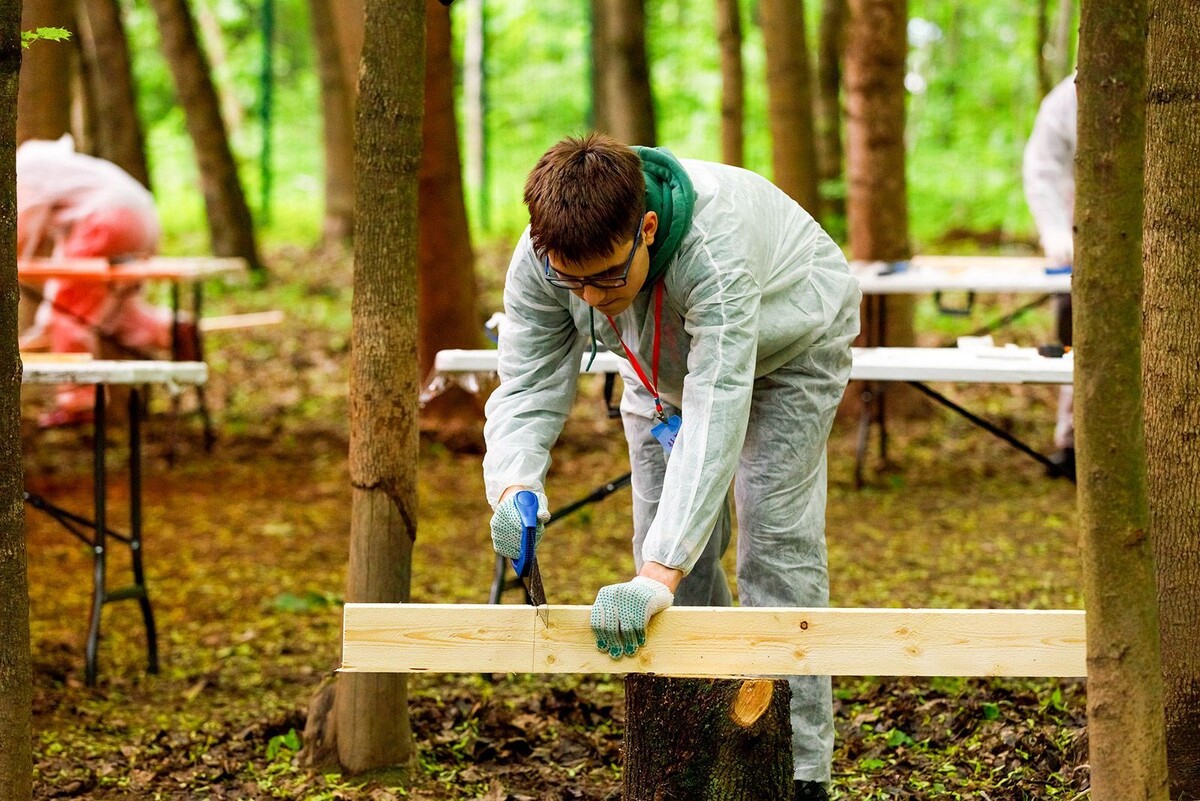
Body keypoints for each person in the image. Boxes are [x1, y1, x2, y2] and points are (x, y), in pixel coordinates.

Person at [483, 133, 860, 799]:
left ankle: (800, 771)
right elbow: (526, 381)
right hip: (659, 371)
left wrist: (660, 568)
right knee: (666, 554)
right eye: (574, 281)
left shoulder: (717, 251)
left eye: (606, 277)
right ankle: (699, 746)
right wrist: (514, 481)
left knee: (773, 541)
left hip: (789, 343)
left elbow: (718, 403)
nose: (592, 298)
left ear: (647, 229)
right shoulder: (544, 258)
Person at [17, 136, 192, 427]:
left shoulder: (25, 168)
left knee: (68, 308)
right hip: (143, 218)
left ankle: (79, 399)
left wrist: (16, 260)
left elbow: (21, 225)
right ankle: (172, 329)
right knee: (113, 308)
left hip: (108, 219)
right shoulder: (67, 171)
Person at [1022, 74, 1076, 480]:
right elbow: (1042, 171)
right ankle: (1074, 442)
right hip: (1082, 245)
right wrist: (1057, 233)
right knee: (1075, 340)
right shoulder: (1064, 100)